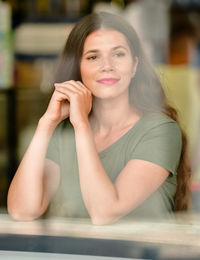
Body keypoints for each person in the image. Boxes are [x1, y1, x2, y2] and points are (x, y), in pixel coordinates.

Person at [7, 12, 191, 225]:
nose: (107, 66)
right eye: (93, 57)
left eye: (118, 54)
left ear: (134, 66)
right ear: (78, 68)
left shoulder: (160, 131)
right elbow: (23, 211)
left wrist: (81, 124)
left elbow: (104, 212)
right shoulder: (64, 132)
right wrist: (46, 124)